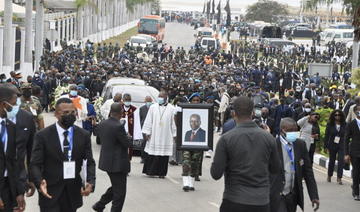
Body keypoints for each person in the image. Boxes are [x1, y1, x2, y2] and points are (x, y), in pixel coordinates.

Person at [211, 96, 280, 212]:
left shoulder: (226, 139)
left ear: (233, 114)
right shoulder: (268, 138)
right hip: (261, 201)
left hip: (234, 200)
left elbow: (216, 173)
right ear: (253, 113)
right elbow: (275, 169)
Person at [30, 98, 96, 211]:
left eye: (73, 112)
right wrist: (39, 182)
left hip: (72, 192)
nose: (70, 115)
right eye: (65, 112)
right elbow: (35, 164)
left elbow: (89, 162)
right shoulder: (43, 136)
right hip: (50, 192)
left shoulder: (83, 135)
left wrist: (90, 181)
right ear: (56, 114)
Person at [270, 118, 320, 212]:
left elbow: (308, 172)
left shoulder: (300, 145)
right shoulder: (272, 145)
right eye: (290, 131)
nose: (293, 133)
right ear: (282, 130)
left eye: (295, 130)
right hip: (277, 195)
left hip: (293, 195)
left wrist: (314, 196)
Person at [92, 103, 131, 212]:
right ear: (121, 113)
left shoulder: (103, 123)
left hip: (107, 161)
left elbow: (96, 133)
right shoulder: (118, 126)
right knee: (120, 193)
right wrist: (128, 137)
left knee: (116, 187)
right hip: (117, 164)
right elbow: (127, 143)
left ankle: (99, 205)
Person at [0, 84, 26, 212]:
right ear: (4, 105)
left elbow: (15, 161)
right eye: (14, 103)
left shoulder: (10, 126)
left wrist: (19, 192)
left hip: (9, 186)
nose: (16, 107)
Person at [142, 90, 177, 178]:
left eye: (162, 97)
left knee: (163, 155)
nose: (160, 98)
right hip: (154, 134)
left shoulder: (172, 108)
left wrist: (174, 134)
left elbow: (173, 123)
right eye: (159, 97)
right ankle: (151, 172)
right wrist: (147, 132)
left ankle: (162, 173)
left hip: (166, 135)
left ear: (166, 98)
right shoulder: (153, 107)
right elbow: (149, 120)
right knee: (152, 154)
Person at [324, 110, 346, 185]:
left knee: (341, 161)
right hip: (332, 144)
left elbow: (347, 136)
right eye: (335, 115)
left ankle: (339, 178)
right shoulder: (330, 124)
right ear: (333, 116)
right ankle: (329, 175)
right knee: (332, 161)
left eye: (339, 115)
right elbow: (326, 135)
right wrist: (325, 146)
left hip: (341, 145)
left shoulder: (345, 124)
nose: (337, 116)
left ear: (341, 116)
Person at [344, 105, 360, 201]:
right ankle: (356, 193)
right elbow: (346, 139)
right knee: (356, 172)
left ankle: (354, 186)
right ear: (355, 112)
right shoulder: (351, 124)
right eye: (358, 110)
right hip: (355, 152)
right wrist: (346, 154)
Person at [121, 94, 142, 161]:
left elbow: (137, 123)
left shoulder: (134, 110)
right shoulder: (120, 108)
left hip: (130, 133)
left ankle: (127, 163)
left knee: (129, 149)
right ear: (123, 100)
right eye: (126, 100)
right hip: (120, 132)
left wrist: (137, 136)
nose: (127, 102)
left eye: (129, 100)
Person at [139, 96, 153, 163]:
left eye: (150, 101)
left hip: (151, 128)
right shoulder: (142, 108)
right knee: (144, 142)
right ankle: (143, 157)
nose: (148, 103)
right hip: (144, 128)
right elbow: (140, 118)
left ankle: (149, 157)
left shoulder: (153, 108)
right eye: (147, 101)